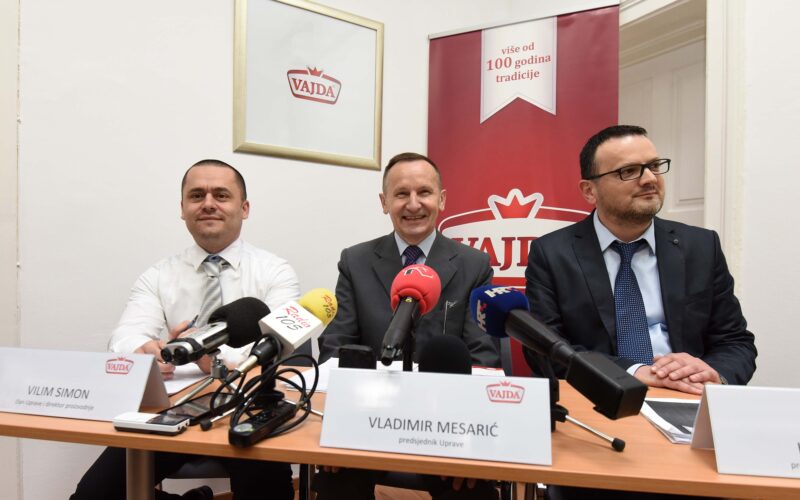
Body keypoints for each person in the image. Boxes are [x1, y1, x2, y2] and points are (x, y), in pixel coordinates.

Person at [71, 159, 299, 500]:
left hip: (250, 404)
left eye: (221, 195)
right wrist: (145, 352)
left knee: (268, 492)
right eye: (196, 196)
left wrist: (207, 354)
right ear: (183, 209)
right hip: (176, 409)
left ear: (244, 208)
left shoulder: (275, 272)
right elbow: (124, 336)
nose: (208, 203)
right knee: (93, 495)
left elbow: (280, 343)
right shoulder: (159, 275)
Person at [315, 152, 501, 500]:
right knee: (335, 483)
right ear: (384, 202)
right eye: (401, 194)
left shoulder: (474, 264)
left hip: (446, 420)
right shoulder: (355, 261)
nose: (413, 204)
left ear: (441, 199)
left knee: (470, 489)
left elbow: (483, 355)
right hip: (368, 415)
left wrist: (468, 438)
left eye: (424, 192)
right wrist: (340, 422)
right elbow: (336, 345)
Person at [524, 124, 756, 394]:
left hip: (687, 394)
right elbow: (544, 349)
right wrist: (634, 371)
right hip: (600, 396)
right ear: (589, 191)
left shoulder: (701, 246)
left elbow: (735, 341)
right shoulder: (552, 253)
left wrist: (714, 375)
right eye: (629, 171)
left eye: (654, 166)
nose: (649, 179)